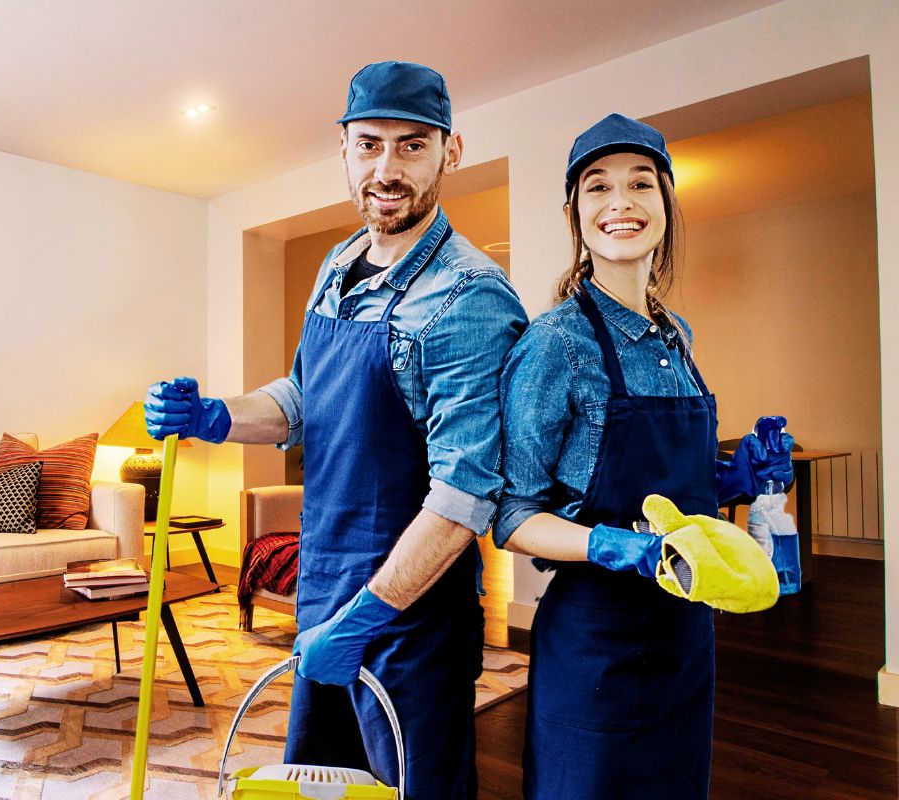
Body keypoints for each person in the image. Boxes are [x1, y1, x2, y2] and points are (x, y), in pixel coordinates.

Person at [145, 61, 527, 797]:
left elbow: (464, 494)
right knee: (324, 782)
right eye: (370, 144)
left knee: (414, 785)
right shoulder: (338, 262)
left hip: (407, 614)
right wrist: (214, 417)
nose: (388, 168)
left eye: (412, 146)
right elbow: (304, 395)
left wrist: (364, 620)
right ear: (344, 148)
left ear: (451, 151)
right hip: (325, 583)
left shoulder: (470, 295)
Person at [495, 113, 795, 799]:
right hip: (596, 644)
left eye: (639, 184)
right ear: (576, 214)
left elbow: (676, 498)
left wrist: (733, 478)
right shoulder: (555, 344)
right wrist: (615, 548)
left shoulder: (676, 334)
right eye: (597, 188)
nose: (620, 203)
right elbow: (511, 517)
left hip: (687, 633)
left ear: (666, 203)